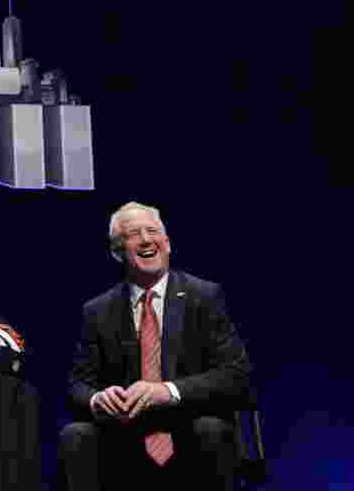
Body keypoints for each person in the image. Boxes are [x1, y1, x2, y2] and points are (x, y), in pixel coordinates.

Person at [58, 202, 254, 491]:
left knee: (210, 430)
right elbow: (77, 386)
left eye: (152, 231)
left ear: (168, 243)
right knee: (75, 435)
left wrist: (167, 391)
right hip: (124, 438)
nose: (147, 239)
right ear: (117, 252)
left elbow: (237, 375)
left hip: (190, 431)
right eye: (134, 234)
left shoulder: (204, 296)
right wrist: (98, 399)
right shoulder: (97, 310)